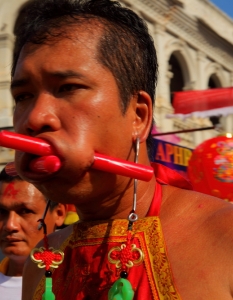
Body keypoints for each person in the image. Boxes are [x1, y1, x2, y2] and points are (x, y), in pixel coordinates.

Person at [10, 0, 233, 299]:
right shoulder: (42, 262)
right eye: (23, 95)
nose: (35, 118)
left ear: (138, 116)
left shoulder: (226, 236)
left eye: (68, 88)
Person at [0, 168, 67, 299]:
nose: (10, 225)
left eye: (25, 211)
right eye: (2, 212)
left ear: (59, 213)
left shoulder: (79, 283)